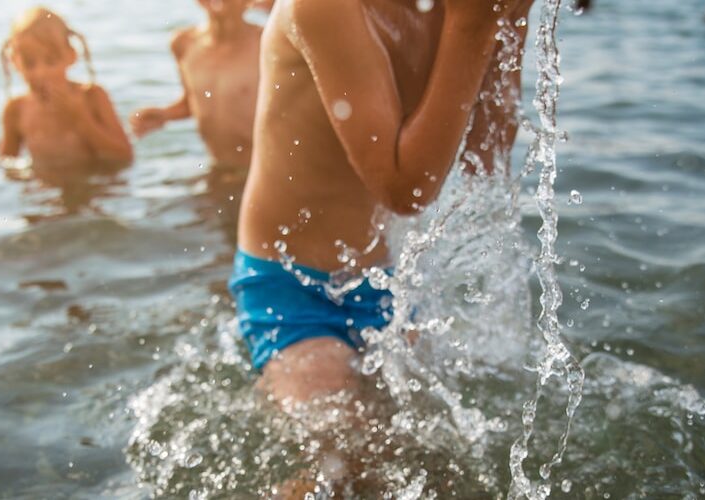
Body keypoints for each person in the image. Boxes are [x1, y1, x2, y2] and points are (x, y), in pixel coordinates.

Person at [229, 0, 535, 408]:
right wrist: (472, 29)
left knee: (431, 454)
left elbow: (487, 155)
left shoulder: (446, 12)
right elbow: (403, 190)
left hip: (384, 282)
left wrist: (505, 19)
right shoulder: (322, 8)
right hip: (292, 286)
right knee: (336, 457)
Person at [0, 7, 133, 178]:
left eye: (51, 61)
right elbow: (6, 164)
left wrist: (80, 118)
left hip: (96, 188)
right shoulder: (15, 110)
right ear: (15, 62)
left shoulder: (92, 96)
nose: (41, 73)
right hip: (45, 194)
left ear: (71, 55)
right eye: (30, 63)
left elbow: (125, 155)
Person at [129, 0, 264, 170]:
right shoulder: (184, 43)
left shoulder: (265, 43)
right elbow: (192, 102)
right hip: (216, 167)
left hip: (261, 171)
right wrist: (164, 114)